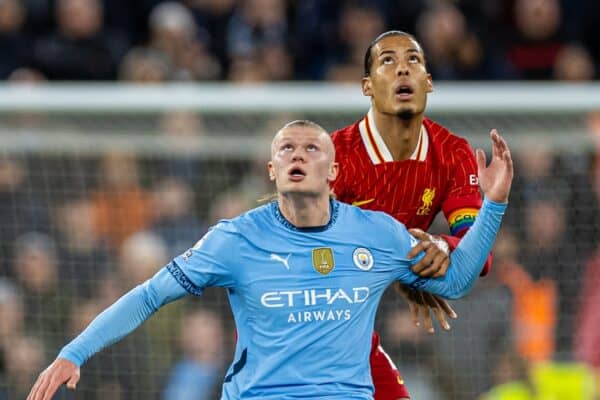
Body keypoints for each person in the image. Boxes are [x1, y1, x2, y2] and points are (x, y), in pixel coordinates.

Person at [27, 119, 513, 400]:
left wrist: (491, 206)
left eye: (310, 148)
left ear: (334, 170)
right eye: (286, 148)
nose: (297, 154)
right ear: (272, 168)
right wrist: (74, 352)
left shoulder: (377, 232)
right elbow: (151, 294)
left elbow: (456, 283)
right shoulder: (235, 239)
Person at [331, 30, 495, 399]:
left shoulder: (452, 154)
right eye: (387, 60)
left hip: (351, 329)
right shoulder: (335, 156)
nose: (402, 69)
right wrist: (403, 268)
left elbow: (478, 256)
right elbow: (310, 252)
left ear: (429, 83)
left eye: (414, 60)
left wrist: (442, 244)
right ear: (367, 86)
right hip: (300, 316)